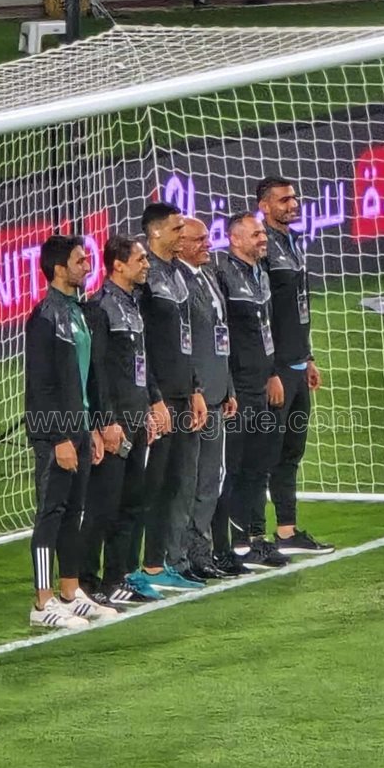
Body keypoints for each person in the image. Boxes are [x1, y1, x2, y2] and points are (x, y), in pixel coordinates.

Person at [23, 235, 117, 629]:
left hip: (79, 428)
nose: (87, 266)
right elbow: (41, 385)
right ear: (59, 269)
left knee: (74, 513)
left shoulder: (77, 312)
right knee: (51, 514)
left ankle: (70, 592)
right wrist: (59, 437)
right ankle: (42, 603)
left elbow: (86, 379)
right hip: (56, 433)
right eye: (80, 260)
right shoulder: (44, 317)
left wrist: (92, 427)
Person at [80, 236, 164, 606]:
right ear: (118, 265)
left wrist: (151, 404)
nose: (146, 264)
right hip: (115, 423)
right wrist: (106, 421)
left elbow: (140, 363)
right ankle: (86, 582)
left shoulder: (132, 302)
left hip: (136, 416)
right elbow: (97, 371)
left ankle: (116, 577)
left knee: (130, 503)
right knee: (103, 507)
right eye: (140, 259)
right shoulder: (100, 307)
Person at [129, 203, 208, 592]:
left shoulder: (177, 273)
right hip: (157, 400)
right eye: (177, 229)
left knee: (178, 482)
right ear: (156, 232)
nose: (183, 235)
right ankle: (135, 568)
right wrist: (154, 398)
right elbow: (140, 346)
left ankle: (160, 563)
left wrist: (195, 389)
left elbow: (184, 341)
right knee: (152, 486)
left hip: (182, 395)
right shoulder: (144, 280)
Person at [257, 176, 334, 556]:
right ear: (264, 206)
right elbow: (262, 315)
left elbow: (298, 308)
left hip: (298, 364)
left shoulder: (292, 241)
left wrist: (309, 356)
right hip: (278, 369)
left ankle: (286, 531)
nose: (293, 204)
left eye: (294, 198)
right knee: (265, 453)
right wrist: (270, 369)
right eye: (284, 200)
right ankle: (250, 538)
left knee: (291, 452)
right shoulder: (263, 250)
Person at [213, 213, 289, 571]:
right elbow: (222, 337)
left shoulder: (260, 273)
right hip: (239, 388)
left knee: (260, 465)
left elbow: (266, 330)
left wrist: (272, 373)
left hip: (263, 384)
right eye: (256, 234)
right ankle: (235, 543)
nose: (263, 238)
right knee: (235, 468)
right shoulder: (222, 276)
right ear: (235, 240)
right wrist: (229, 387)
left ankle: (257, 539)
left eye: (263, 233)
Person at [178, 218, 239, 580]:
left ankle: (201, 550)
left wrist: (228, 386)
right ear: (180, 243)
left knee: (211, 478)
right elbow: (182, 348)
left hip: (216, 393)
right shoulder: (178, 283)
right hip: (195, 399)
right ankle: (183, 554)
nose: (208, 244)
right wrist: (196, 389)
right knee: (192, 479)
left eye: (207, 238)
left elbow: (220, 336)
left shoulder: (208, 276)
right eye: (199, 239)